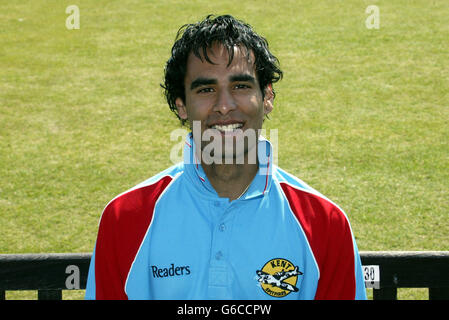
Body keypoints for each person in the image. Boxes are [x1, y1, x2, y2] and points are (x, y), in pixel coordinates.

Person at [85, 14, 367, 300]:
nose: (224, 106)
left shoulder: (326, 225)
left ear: (267, 96)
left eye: (241, 86)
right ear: (181, 105)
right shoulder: (124, 219)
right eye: (206, 89)